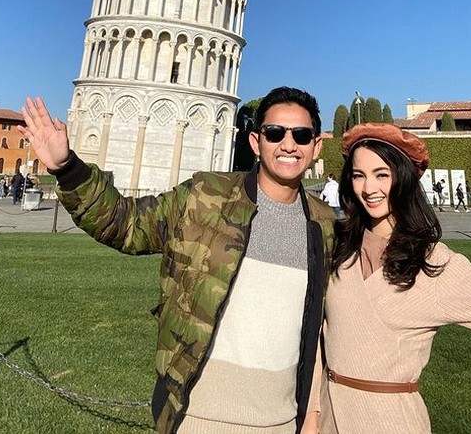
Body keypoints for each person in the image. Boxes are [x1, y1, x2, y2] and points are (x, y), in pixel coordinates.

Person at [18, 88, 335, 434]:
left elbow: (323, 327)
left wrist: (312, 415)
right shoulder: (204, 196)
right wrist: (69, 170)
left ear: (315, 146)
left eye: (301, 136)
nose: (289, 145)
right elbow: (126, 225)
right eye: (276, 133)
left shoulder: (326, 226)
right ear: (256, 142)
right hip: (197, 417)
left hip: (282, 421)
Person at [305, 123, 471, 434]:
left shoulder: (437, 263)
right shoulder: (338, 248)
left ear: (403, 179)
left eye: (382, 174)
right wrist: (312, 416)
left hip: (391, 421)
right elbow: (318, 339)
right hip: (327, 417)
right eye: (358, 175)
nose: (368, 188)